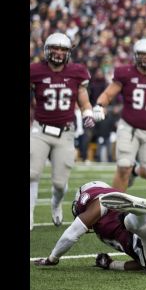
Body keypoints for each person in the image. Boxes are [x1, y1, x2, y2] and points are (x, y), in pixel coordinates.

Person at [92, 38, 146, 191]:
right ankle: (115, 208)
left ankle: (135, 171)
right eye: (143, 54)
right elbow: (108, 94)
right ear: (136, 56)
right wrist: (99, 106)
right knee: (123, 165)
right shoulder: (125, 73)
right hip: (129, 128)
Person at [30, 32, 96, 230]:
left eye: (63, 49)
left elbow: (82, 96)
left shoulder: (77, 71)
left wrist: (87, 112)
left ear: (69, 52)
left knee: (59, 183)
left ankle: (56, 203)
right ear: (46, 50)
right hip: (39, 130)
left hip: (65, 132)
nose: (59, 53)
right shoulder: (35, 70)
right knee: (32, 173)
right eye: (55, 48)